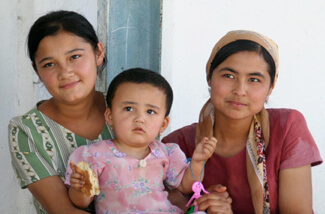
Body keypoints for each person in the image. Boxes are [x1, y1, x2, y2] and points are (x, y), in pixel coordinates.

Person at [162, 30, 323, 214]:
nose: (240, 90)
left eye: (254, 80)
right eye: (229, 76)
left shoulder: (286, 128)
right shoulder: (175, 146)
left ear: (270, 87)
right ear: (209, 77)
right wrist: (198, 207)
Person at [64, 68, 217, 214]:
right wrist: (79, 188)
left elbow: (185, 186)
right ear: (110, 116)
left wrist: (197, 162)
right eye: (129, 109)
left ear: (163, 124)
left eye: (150, 111)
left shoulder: (166, 153)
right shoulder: (94, 155)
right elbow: (82, 203)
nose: (140, 119)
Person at [8, 10, 114, 213]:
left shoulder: (129, 108)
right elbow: (63, 210)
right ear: (36, 70)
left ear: (98, 53)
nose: (65, 72)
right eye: (49, 64)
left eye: (74, 56)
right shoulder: (27, 131)